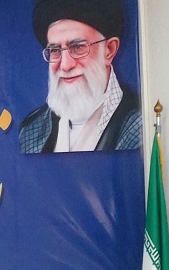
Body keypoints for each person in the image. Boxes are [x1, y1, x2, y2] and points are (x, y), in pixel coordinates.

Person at [19, 0, 141, 154]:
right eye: (55, 50)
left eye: (77, 47)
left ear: (109, 50)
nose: (65, 65)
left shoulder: (139, 127)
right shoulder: (30, 129)